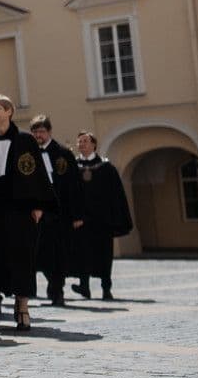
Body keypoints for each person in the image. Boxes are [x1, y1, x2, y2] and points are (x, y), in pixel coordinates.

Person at [0, 94, 51, 332]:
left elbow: (37, 175)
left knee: (22, 259)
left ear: (9, 111)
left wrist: (38, 205)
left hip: (20, 211)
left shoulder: (25, 140)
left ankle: (22, 306)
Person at [70, 131, 132, 300]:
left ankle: (106, 288)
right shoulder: (73, 167)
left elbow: (115, 195)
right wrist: (75, 216)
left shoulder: (106, 168)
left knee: (104, 254)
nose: (81, 144)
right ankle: (84, 287)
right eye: (79, 141)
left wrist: (112, 218)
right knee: (82, 253)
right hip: (82, 220)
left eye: (85, 141)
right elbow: (71, 194)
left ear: (94, 145)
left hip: (102, 220)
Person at [30, 115, 77, 307]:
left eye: (41, 131)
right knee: (40, 252)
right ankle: (51, 283)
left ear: (49, 132)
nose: (38, 135)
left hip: (58, 212)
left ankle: (57, 289)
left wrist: (76, 213)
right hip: (36, 210)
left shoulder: (62, 153)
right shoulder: (28, 153)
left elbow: (73, 185)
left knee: (58, 253)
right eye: (35, 132)